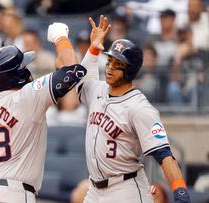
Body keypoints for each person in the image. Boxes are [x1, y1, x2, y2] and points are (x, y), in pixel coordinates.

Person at [0, 18, 105, 202]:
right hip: (15, 193)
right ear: (17, 75)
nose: (27, 67)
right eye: (23, 66)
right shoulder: (28, 96)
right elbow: (73, 69)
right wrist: (60, 38)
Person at [63, 15, 191, 203]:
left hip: (125, 189)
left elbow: (164, 154)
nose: (109, 68)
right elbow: (82, 80)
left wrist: (180, 190)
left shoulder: (140, 107)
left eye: (118, 65)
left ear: (130, 70)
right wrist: (93, 48)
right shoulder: (97, 90)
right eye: (109, 62)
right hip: (94, 190)